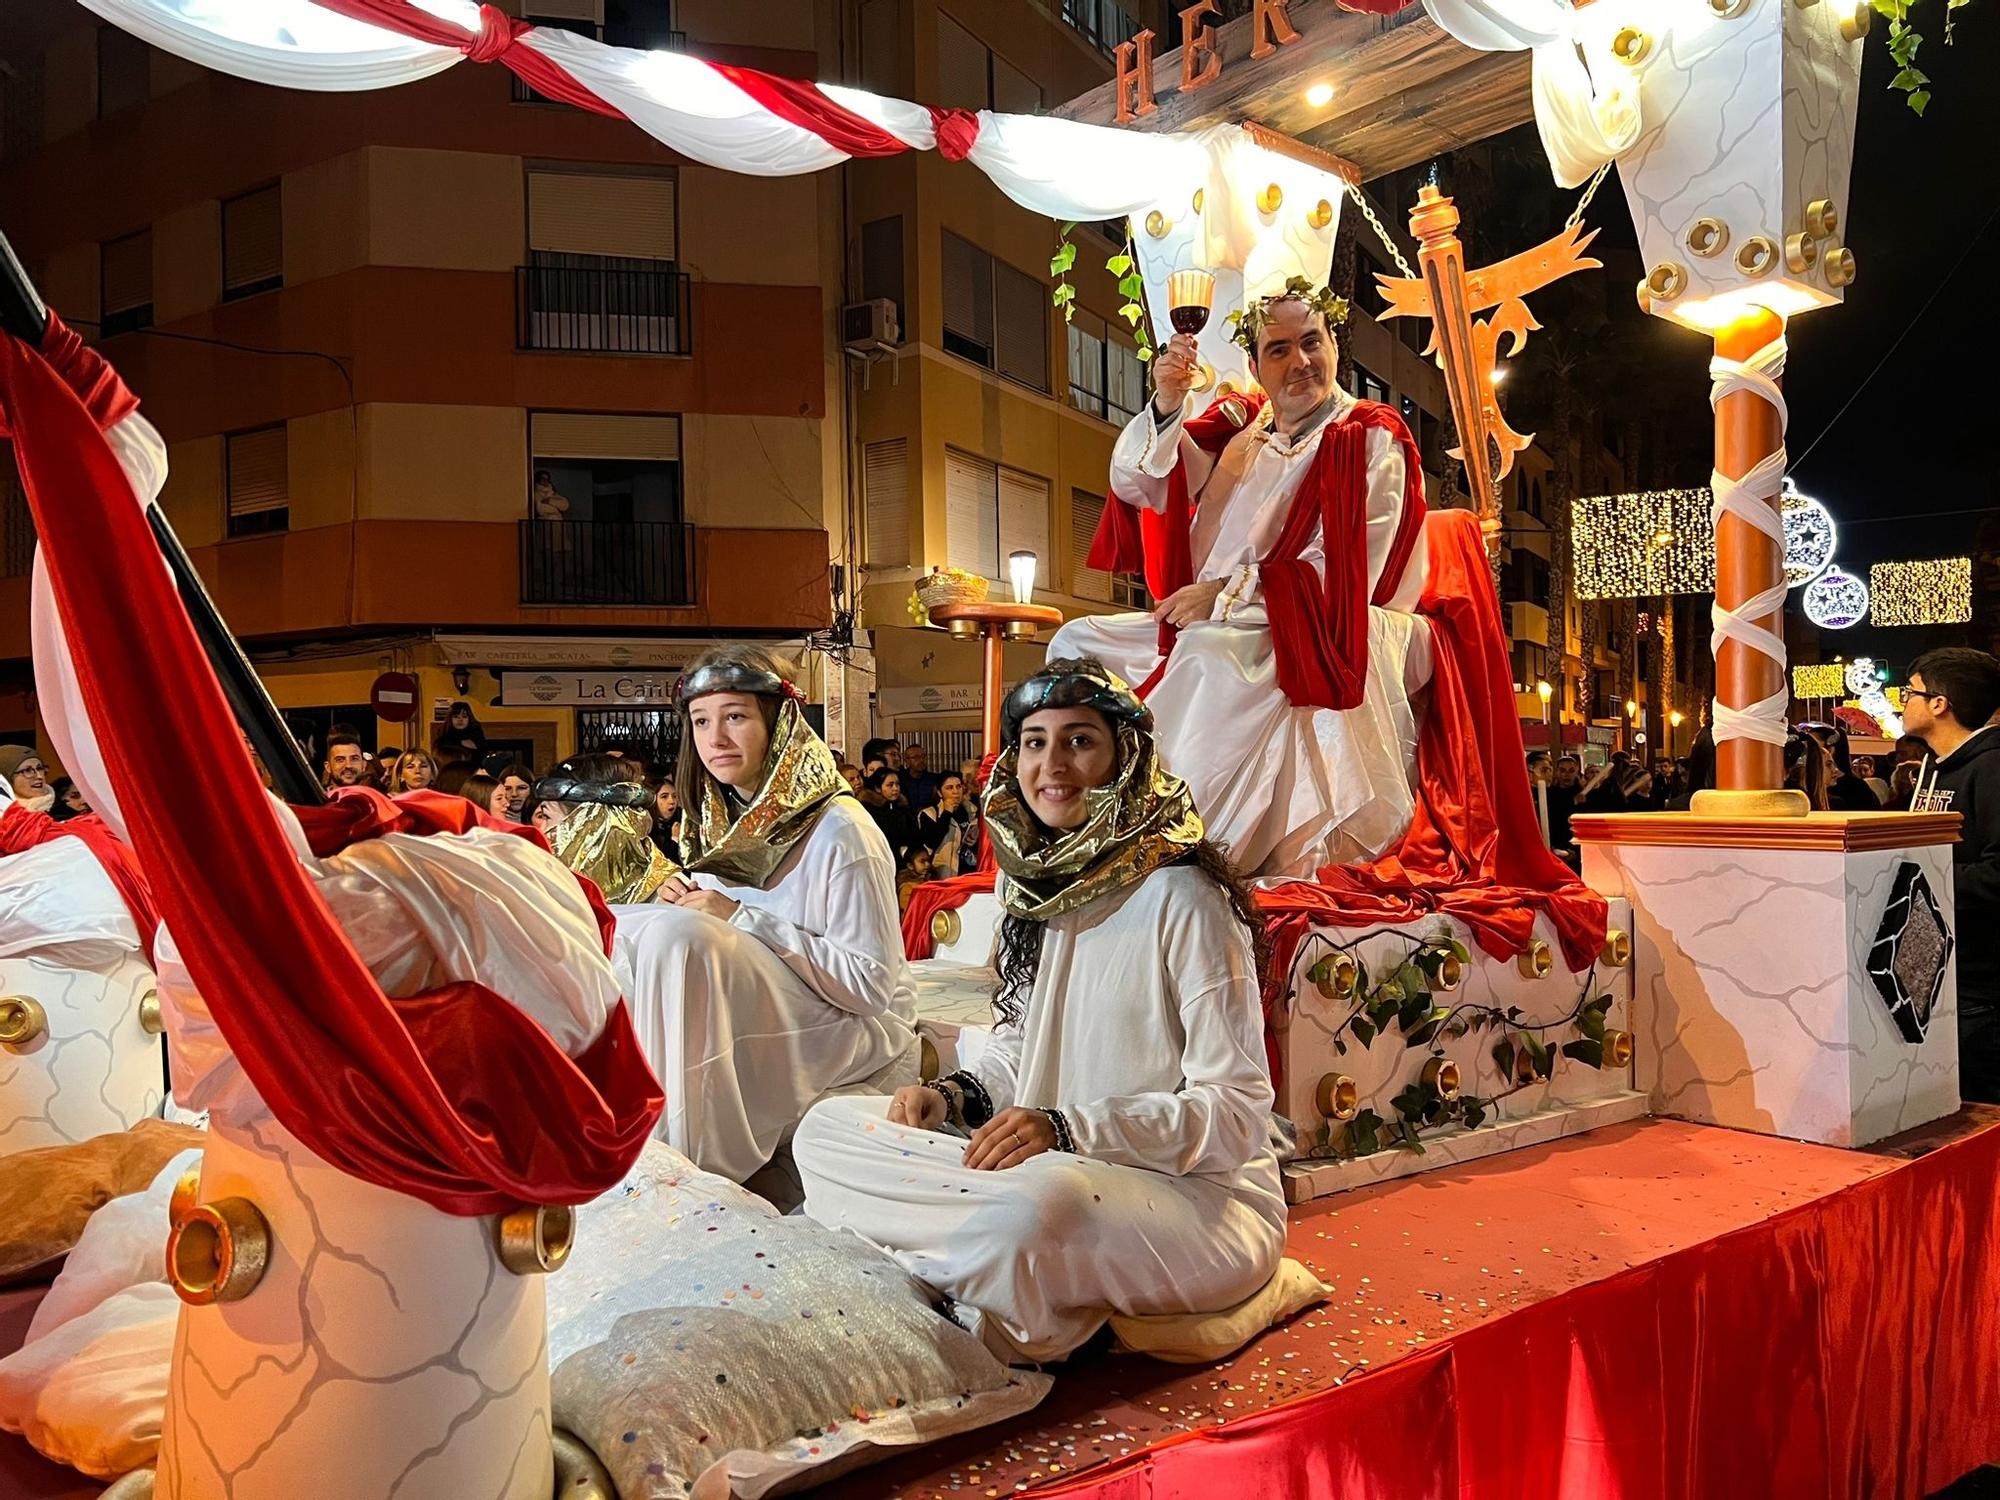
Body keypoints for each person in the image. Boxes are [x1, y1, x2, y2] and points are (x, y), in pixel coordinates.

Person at [794, 658, 1287, 1364]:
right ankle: (978, 1275)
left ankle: (958, 1271)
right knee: (826, 1129)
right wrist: (952, 1097)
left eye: (1079, 741)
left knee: (1039, 1212)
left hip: (1189, 1199)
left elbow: (1235, 1114)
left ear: (1126, 758)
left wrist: (1069, 1129)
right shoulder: (1035, 893)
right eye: (1034, 742)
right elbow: (1021, 1049)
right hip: (1048, 1166)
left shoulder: (1185, 900)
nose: (1052, 764)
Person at [1049, 278, 1430, 877]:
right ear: (1256, 366)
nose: (1301, 362)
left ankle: (1184, 853)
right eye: (1279, 349)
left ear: (1333, 345)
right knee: (1074, 645)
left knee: (1209, 655)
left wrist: (1226, 594)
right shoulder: (1245, 432)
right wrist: (1168, 403)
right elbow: (1143, 483)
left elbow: (1354, 569)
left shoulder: (1369, 435)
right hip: (1217, 615)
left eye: (1312, 342)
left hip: (1306, 623)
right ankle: (1084, 826)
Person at [614, 645, 917, 1182]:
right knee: (632, 931)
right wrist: (684, 905)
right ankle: (644, 1145)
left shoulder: (842, 830)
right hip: (772, 1004)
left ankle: (697, 1170)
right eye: (701, 721)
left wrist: (735, 919)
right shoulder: (717, 822)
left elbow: (870, 988)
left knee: (681, 944)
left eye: (735, 716)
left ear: (779, 725)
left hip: (851, 1020)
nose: (715, 739)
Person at [1902, 647, 2000, 1103]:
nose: (1904, 702)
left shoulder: (1991, 767)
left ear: (1940, 703)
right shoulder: (1934, 768)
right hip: (1943, 976)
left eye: (1910, 693)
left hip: (1983, 987)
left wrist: (1924, 882)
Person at [531, 754, 674, 904]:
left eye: (546, 816)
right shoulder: (540, 893)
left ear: (591, 824)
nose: (540, 831)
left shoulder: (668, 903)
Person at [1803, 722, 1879, 811]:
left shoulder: (1856, 789)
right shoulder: (1805, 785)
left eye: (1813, 745)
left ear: (1830, 750)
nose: (1807, 749)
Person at [915, 771, 978, 877]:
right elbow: (931, 842)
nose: (955, 792)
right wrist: (947, 813)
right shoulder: (929, 813)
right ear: (940, 792)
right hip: (943, 872)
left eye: (958, 787)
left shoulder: (972, 810)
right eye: (949, 788)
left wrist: (974, 839)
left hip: (969, 870)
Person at [859, 766, 915, 861]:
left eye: (897, 784)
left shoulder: (903, 807)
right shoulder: (869, 810)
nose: (895, 788)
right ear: (878, 788)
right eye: (890, 785)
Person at [0, 747, 55, 813]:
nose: (39, 776)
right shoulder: (4, 815)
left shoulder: (60, 811)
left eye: (39, 768)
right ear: (6, 779)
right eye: (27, 770)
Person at [434, 701, 487, 765]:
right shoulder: (444, 733)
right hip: (449, 767)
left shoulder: (476, 732)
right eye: (456, 716)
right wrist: (460, 742)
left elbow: (481, 752)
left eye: (464, 716)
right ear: (450, 718)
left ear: (469, 718)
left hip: (472, 767)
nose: (460, 720)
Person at [648, 777, 683, 864]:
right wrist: (675, 839)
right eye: (664, 796)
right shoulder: (647, 828)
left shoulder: (682, 819)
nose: (672, 801)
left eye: (674, 796)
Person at [902, 741, 940, 811]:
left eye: (923, 756)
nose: (921, 760)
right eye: (916, 757)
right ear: (907, 761)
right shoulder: (901, 780)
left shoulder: (935, 779)